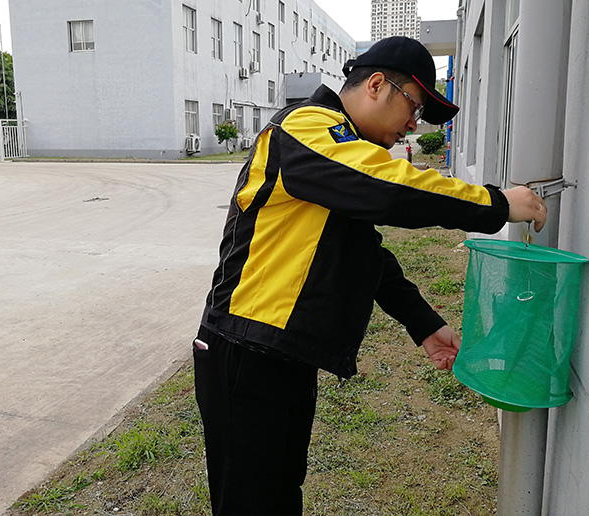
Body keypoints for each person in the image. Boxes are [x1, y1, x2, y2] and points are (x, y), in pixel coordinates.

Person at [193, 36, 547, 516]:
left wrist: (424, 324)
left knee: (280, 494)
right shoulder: (306, 126)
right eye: (414, 106)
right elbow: (388, 189)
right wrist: (497, 203)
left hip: (282, 352)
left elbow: (363, 252)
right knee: (249, 503)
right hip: (244, 349)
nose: (413, 124)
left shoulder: (342, 156)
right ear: (377, 85)